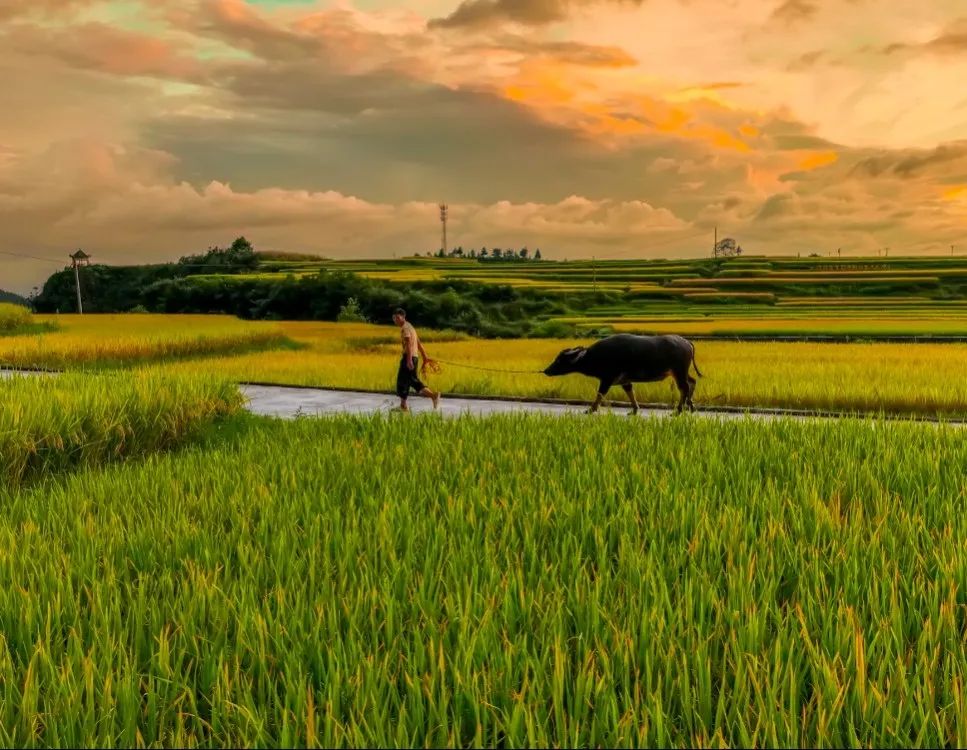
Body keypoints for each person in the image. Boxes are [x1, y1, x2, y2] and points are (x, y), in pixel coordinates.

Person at [392, 308, 441, 412]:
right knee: (405, 381)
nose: (395, 320)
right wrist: (425, 357)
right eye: (394, 318)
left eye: (397, 318)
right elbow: (418, 343)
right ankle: (403, 406)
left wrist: (409, 360)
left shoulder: (405, 328)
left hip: (408, 357)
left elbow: (409, 343)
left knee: (410, 381)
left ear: (403, 317)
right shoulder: (411, 327)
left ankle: (433, 396)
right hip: (414, 357)